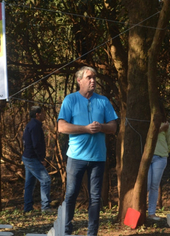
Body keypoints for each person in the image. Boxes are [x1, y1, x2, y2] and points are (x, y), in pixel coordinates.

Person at [57, 66, 118, 236]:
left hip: (98, 157)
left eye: (94, 78)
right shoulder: (70, 100)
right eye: (89, 77)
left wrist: (101, 127)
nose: (93, 81)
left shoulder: (103, 101)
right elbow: (61, 127)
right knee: (71, 195)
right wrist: (85, 128)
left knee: (96, 198)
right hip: (76, 157)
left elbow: (113, 127)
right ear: (79, 81)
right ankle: (66, 231)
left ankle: (92, 233)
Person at [22, 106, 52, 213]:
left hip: (28, 156)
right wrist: (41, 158)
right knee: (46, 180)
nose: (44, 115)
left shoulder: (31, 125)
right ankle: (45, 207)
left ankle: (27, 208)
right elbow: (36, 144)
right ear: (37, 114)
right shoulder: (35, 126)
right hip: (32, 158)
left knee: (29, 183)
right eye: (42, 113)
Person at [147, 121, 170, 221]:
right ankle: (139, 212)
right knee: (146, 184)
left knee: (154, 185)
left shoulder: (166, 123)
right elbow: (147, 135)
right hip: (145, 157)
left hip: (160, 157)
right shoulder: (144, 120)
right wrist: (159, 130)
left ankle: (151, 213)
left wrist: (165, 151)